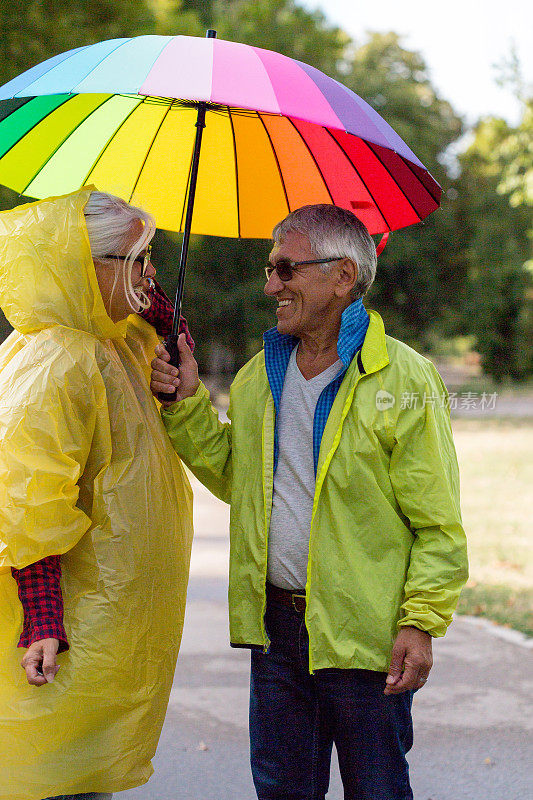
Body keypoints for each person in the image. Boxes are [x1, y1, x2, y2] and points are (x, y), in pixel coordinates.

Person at [150, 204, 469, 800]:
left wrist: (421, 622)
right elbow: (237, 481)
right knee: (281, 791)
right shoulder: (255, 377)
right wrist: (187, 404)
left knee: (377, 791)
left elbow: (438, 524)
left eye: (286, 269)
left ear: (343, 275)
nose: (271, 284)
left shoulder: (405, 379)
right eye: (272, 270)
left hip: (366, 643)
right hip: (276, 635)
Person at [0, 187, 194, 800]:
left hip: (104, 623)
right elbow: (30, 500)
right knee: (59, 783)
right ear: (88, 264)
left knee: (82, 778)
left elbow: (166, 324)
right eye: (138, 258)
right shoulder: (62, 357)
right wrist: (43, 620)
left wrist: (159, 317)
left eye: (151, 256)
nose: (151, 274)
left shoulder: (116, 342)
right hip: (68, 627)